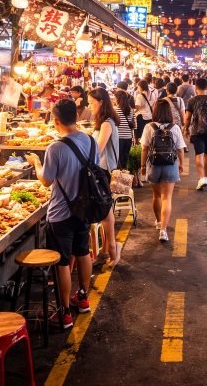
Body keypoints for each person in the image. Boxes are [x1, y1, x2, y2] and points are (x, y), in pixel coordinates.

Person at [26, 100, 97, 330]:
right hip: (85, 208)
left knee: (63, 262)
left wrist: (36, 163)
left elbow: (46, 181)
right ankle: (84, 297)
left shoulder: (55, 148)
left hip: (61, 213)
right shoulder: (90, 140)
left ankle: (65, 311)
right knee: (83, 252)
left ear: (56, 121)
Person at [140, 100, 186, 242]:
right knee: (167, 197)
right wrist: (181, 164)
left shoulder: (149, 127)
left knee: (156, 195)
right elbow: (180, 149)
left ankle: (159, 221)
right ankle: (163, 230)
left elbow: (144, 148)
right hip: (170, 165)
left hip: (154, 164)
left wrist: (142, 166)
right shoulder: (175, 128)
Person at [88, 88, 121, 266]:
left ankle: (112, 249)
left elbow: (98, 149)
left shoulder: (107, 123)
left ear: (101, 102)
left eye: (92, 102)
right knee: (105, 210)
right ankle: (107, 249)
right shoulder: (104, 121)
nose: (90, 106)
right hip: (102, 170)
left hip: (104, 171)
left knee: (106, 211)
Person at [184, 77, 207, 191]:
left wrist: (186, 128)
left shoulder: (192, 101)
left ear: (196, 87)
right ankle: (205, 177)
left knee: (199, 155)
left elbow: (188, 117)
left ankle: (201, 179)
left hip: (196, 131)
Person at [113, 87, 135, 172]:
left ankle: (119, 180)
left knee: (118, 160)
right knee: (125, 160)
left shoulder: (115, 110)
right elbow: (133, 124)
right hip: (128, 138)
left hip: (119, 138)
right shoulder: (131, 110)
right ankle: (125, 178)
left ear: (117, 99)